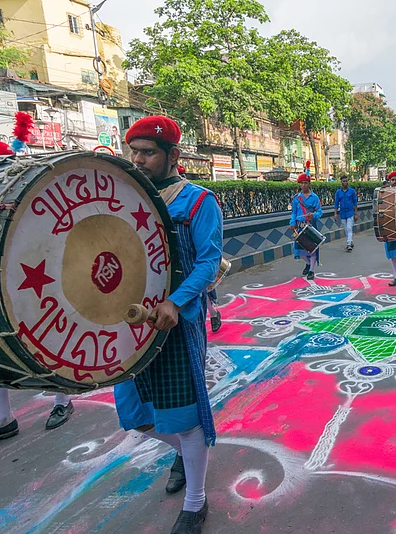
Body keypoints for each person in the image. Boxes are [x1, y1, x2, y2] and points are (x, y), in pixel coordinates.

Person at [120, 116, 223, 533]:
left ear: (173, 155)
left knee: (186, 417)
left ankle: (196, 502)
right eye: (134, 152)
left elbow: (209, 262)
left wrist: (176, 302)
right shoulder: (126, 198)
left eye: (148, 152)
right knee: (133, 415)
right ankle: (183, 451)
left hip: (177, 324)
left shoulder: (199, 201)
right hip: (131, 324)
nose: (138, 160)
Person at [0, 139, 76, 449]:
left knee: (51, 340)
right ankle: (2, 419)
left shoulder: (31, 195)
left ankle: (62, 400)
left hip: (42, 283)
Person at [290, 173, 323, 281]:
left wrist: (313, 215)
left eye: (305, 183)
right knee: (298, 249)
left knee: (312, 249)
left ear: (309, 184)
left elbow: (319, 212)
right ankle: (308, 263)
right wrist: (292, 222)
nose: (303, 185)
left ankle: (311, 270)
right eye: (302, 183)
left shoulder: (314, 197)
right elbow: (294, 212)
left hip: (311, 226)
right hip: (300, 226)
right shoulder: (296, 198)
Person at [334, 175, 358, 252]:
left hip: (350, 212)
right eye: (343, 181)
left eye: (346, 181)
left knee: (349, 228)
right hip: (342, 213)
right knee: (346, 229)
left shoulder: (352, 191)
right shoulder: (338, 192)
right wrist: (335, 213)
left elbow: (355, 202)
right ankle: (350, 241)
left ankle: (348, 244)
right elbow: (336, 203)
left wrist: (356, 213)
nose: (345, 182)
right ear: (341, 182)